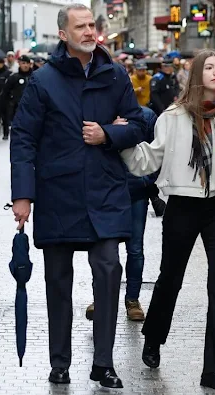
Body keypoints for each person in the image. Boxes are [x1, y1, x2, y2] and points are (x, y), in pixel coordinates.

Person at [9, 4, 145, 388]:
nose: (89, 32)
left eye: (92, 25)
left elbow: (139, 122)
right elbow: (23, 139)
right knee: (58, 282)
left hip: (105, 190)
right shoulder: (43, 81)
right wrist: (23, 196)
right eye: (80, 27)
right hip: (58, 194)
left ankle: (103, 363)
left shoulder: (115, 75)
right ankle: (60, 363)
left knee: (109, 271)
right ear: (63, 35)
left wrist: (108, 133)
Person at [121, 50, 215, 392]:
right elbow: (148, 160)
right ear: (197, 74)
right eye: (211, 67)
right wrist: (123, 143)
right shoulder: (173, 117)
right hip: (183, 205)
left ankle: (214, 370)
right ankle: (153, 337)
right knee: (170, 279)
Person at [85, 106, 159, 322]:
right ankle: (100, 298)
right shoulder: (99, 112)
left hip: (136, 192)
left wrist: (148, 180)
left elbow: (156, 151)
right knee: (103, 249)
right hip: (105, 191)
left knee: (135, 248)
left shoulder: (146, 116)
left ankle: (132, 300)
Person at [2, 54, 33, 123]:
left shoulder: (33, 77)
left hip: (30, 108)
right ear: (19, 64)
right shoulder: (14, 77)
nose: (25, 65)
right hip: (16, 108)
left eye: (27, 63)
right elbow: (6, 92)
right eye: (23, 63)